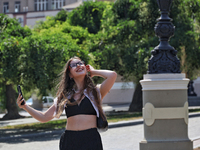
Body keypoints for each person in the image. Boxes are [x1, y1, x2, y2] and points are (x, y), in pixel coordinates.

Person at [17, 56, 117, 150]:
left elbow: (112, 75)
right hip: (70, 140)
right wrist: (25, 106)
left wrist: (93, 71)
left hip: (91, 139)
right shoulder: (65, 96)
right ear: (70, 74)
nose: (78, 65)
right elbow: (44, 117)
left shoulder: (96, 91)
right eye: (73, 65)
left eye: (80, 63)